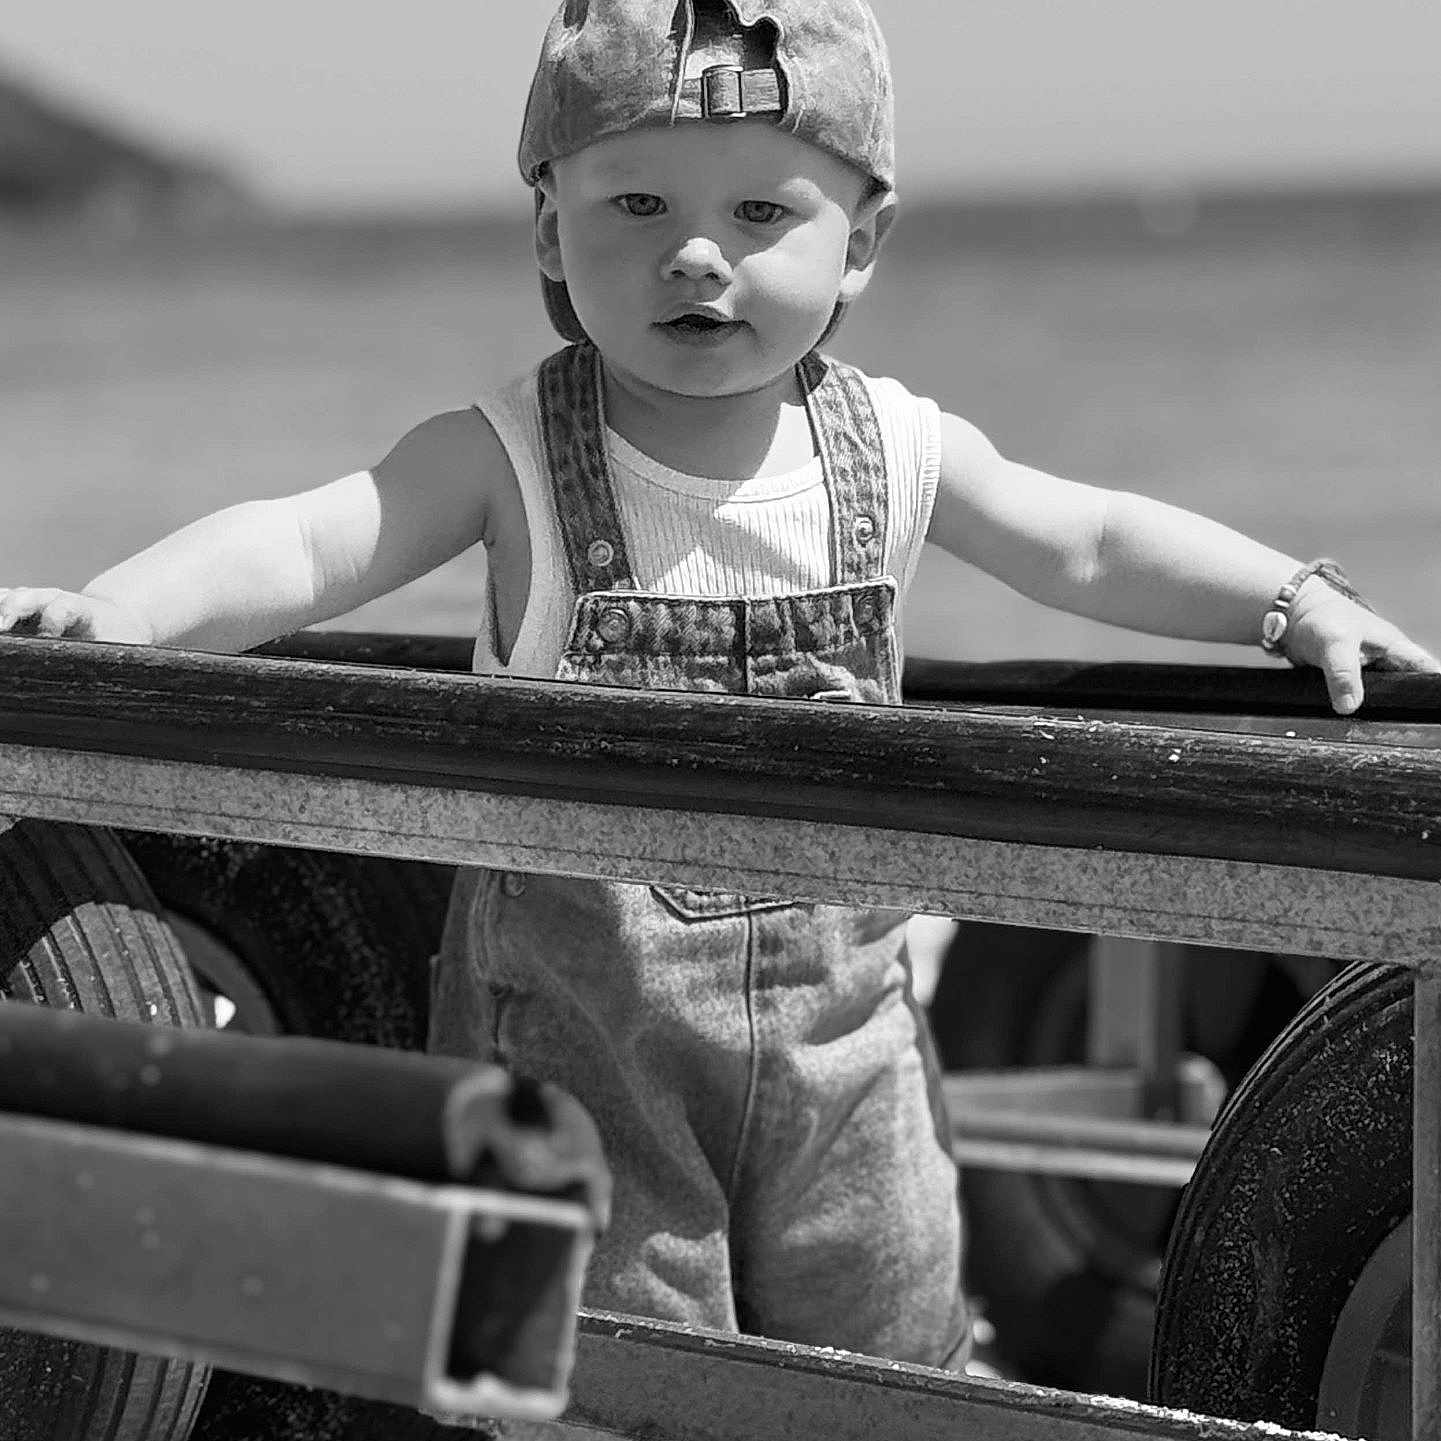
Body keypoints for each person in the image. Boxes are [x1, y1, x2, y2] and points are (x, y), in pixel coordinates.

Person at [1, 0, 1436, 1374]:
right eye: (637, 208)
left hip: (849, 1043)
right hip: (581, 1050)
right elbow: (310, 538)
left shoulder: (888, 444)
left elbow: (1090, 538)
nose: (697, 256)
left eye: (761, 213)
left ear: (860, 241)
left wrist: (1287, 600)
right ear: (549, 231)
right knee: (607, 1358)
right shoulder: (509, 455)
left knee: (885, 1332)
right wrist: (116, 608)